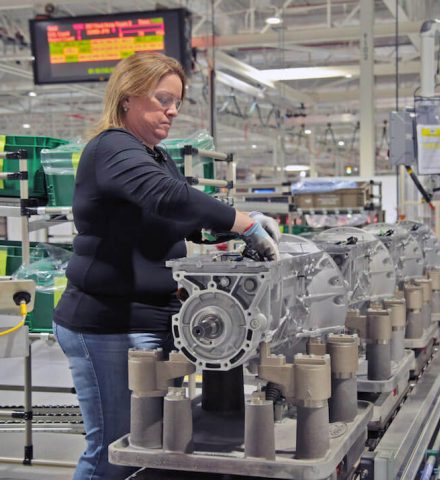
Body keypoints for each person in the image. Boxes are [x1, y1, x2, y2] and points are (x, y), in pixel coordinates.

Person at [52, 51, 281, 480]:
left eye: (176, 102)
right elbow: (168, 197)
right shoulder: (111, 148)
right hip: (107, 324)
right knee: (114, 450)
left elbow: (184, 221)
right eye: (162, 99)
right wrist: (244, 223)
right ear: (128, 98)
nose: (172, 111)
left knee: (148, 445)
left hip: (153, 318)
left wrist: (229, 233)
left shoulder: (155, 155)